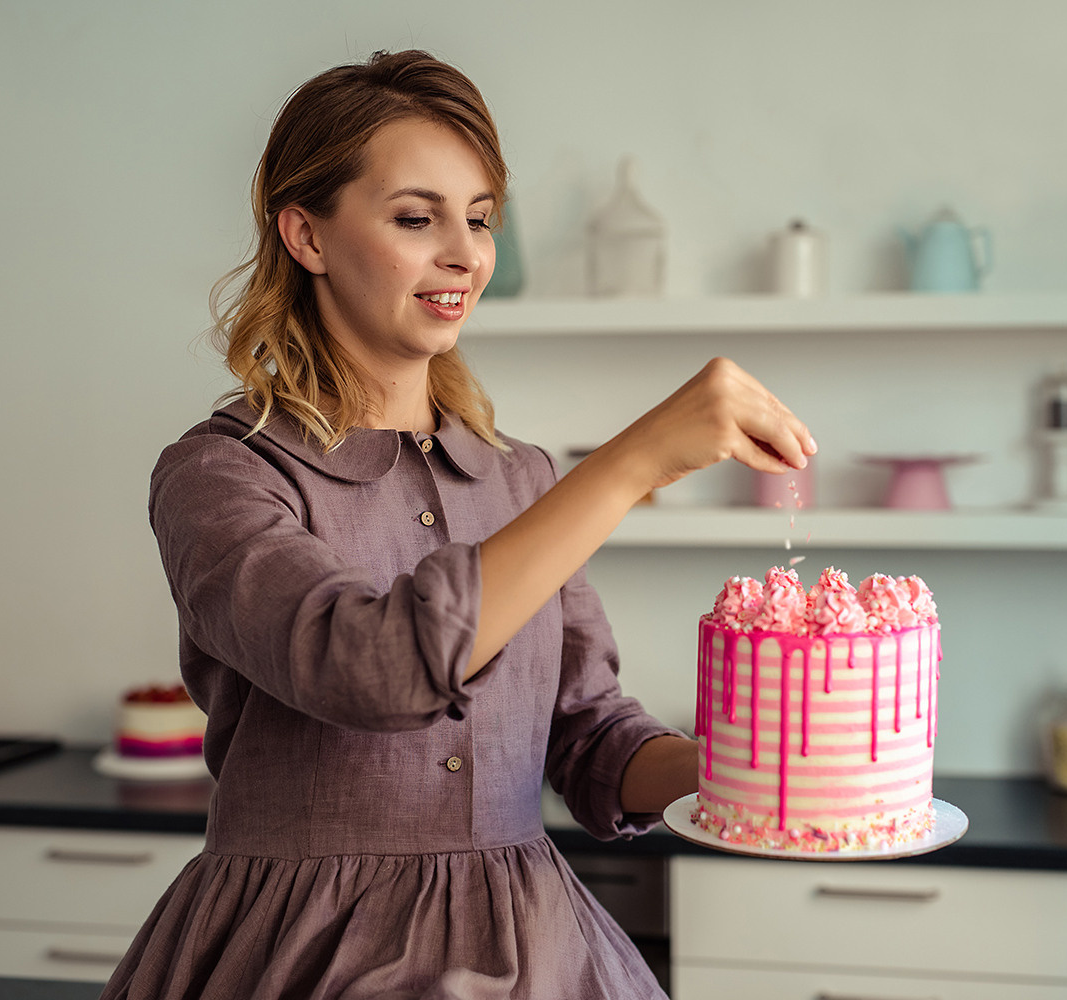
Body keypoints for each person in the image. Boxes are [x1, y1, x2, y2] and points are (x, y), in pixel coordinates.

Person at [101, 49, 815, 1000]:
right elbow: (367, 664)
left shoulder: (520, 479)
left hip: (534, 945)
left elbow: (587, 734)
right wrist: (633, 461)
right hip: (303, 952)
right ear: (306, 236)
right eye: (414, 218)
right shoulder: (223, 473)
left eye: (479, 219)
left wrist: (746, 774)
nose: (464, 254)